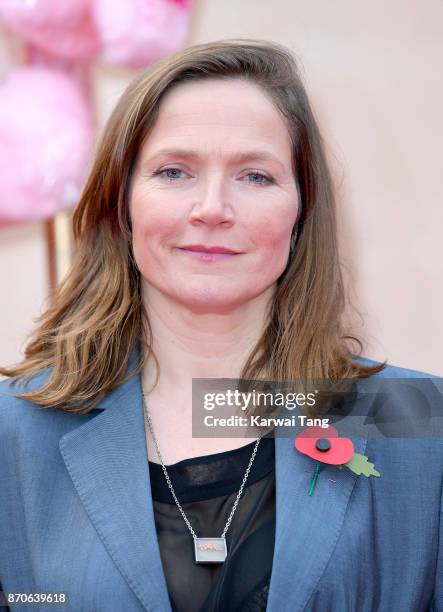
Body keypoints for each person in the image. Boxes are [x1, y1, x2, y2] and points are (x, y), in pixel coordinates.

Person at [0, 39, 441, 612]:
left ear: (301, 212)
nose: (212, 208)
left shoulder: (421, 423)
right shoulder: (16, 431)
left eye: (255, 176)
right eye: (174, 170)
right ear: (121, 205)